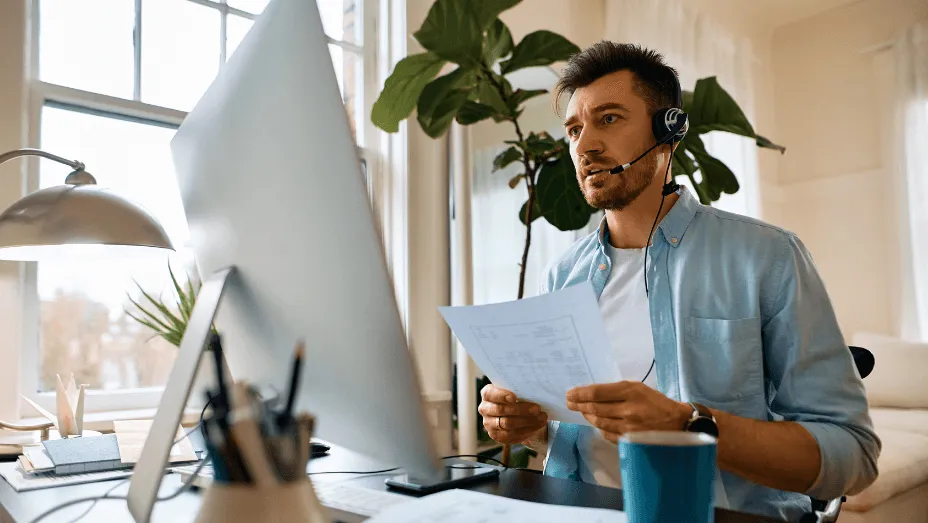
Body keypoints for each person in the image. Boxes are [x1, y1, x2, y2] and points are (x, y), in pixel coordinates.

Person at [477, 41, 880, 521]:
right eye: (574, 129)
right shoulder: (562, 275)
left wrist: (689, 425)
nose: (584, 146)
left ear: (669, 130)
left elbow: (853, 456)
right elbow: (570, 437)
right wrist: (528, 425)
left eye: (608, 118)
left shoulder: (767, 257)